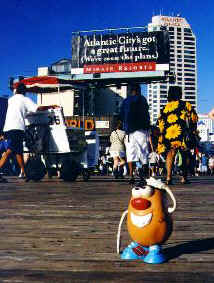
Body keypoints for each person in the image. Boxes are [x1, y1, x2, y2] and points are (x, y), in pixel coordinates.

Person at [156, 86, 198, 185]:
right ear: (180, 94)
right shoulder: (185, 104)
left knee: (170, 153)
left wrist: (162, 134)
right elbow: (194, 117)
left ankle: (169, 177)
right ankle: (184, 178)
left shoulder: (165, 108)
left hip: (168, 134)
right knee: (185, 154)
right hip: (182, 132)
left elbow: (160, 122)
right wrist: (193, 130)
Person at [0, 83, 40, 182]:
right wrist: (50, 106)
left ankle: (24, 172)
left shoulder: (10, 100)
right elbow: (37, 108)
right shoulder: (24, 99)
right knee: (9, 151)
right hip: (17, 128)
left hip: (8, 128)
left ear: (16, 90)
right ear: (24, 91)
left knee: (18, 152)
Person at [119, 83, 151, 184]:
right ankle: (144, 175)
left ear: (130, 91)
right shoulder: (143, 100)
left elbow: (121, 115)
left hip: (130, 131)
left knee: (130, 154)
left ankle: (132, 176)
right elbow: (147, 114)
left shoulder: (125, 101)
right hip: (142, 130)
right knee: (143, 152)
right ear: (139, 90)